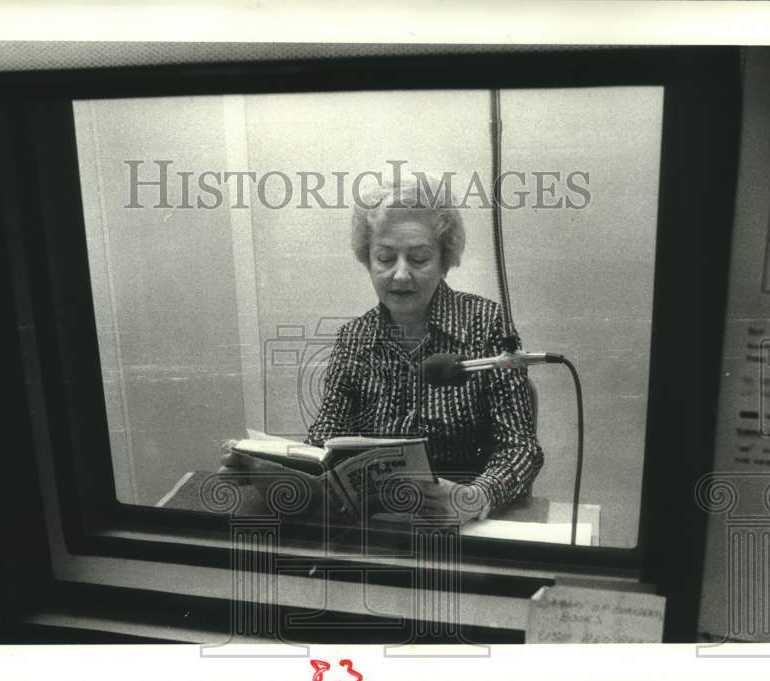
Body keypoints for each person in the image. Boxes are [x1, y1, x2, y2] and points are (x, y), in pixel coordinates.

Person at [222, 174, 544, 525]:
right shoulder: (353, 339)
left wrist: (477, 496)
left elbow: (520, 447)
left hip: (466, 529)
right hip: (376, 529)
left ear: (444, 259)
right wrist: (272, 470)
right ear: (368, 259)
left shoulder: (486, 323)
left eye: (419, 258)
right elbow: (324, 443)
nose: (400, 275)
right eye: (385, 258)